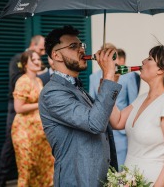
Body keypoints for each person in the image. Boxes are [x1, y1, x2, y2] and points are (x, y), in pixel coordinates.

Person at [39, 25, 121, 186]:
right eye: (73, 46)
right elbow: (95, 124)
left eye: (81, 45)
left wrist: (106, 84)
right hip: (76, 180)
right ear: (56, 55)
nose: (81, 50)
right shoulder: (52, 93)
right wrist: (109, 75)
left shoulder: (77, 87)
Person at [109, 45, 164, 187]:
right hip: (130, 178)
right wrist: (111, 86)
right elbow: (117, 122)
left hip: (155, 181)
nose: (143, 61)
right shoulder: (141, 99)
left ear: (161, 70)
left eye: (149, 58)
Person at [0, 35, 45, 187]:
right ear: (33, 45)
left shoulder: (39, 77)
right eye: (41, 49)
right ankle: (0, 181)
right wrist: (33, 74)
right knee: (10, 144)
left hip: (36, 121)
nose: (42, 54)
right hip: (18, 110)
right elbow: (15, 81)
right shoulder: (17, 60)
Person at [89, 47, 140, 170]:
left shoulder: (128, 76)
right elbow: (92, 101)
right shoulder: (93, 77)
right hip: (100, 129)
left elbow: (132, 103)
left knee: (120, 168)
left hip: (120, 132)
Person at [12, 50, 54, 186]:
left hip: (39, 132)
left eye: (38, 59)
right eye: (33, 59)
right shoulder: (22, 81)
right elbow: (18, 108)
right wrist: (40, 104)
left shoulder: (38, 80)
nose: (37, 62)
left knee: (44, 168)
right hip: (24, 131)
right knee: (27, 168)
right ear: (25, 64)